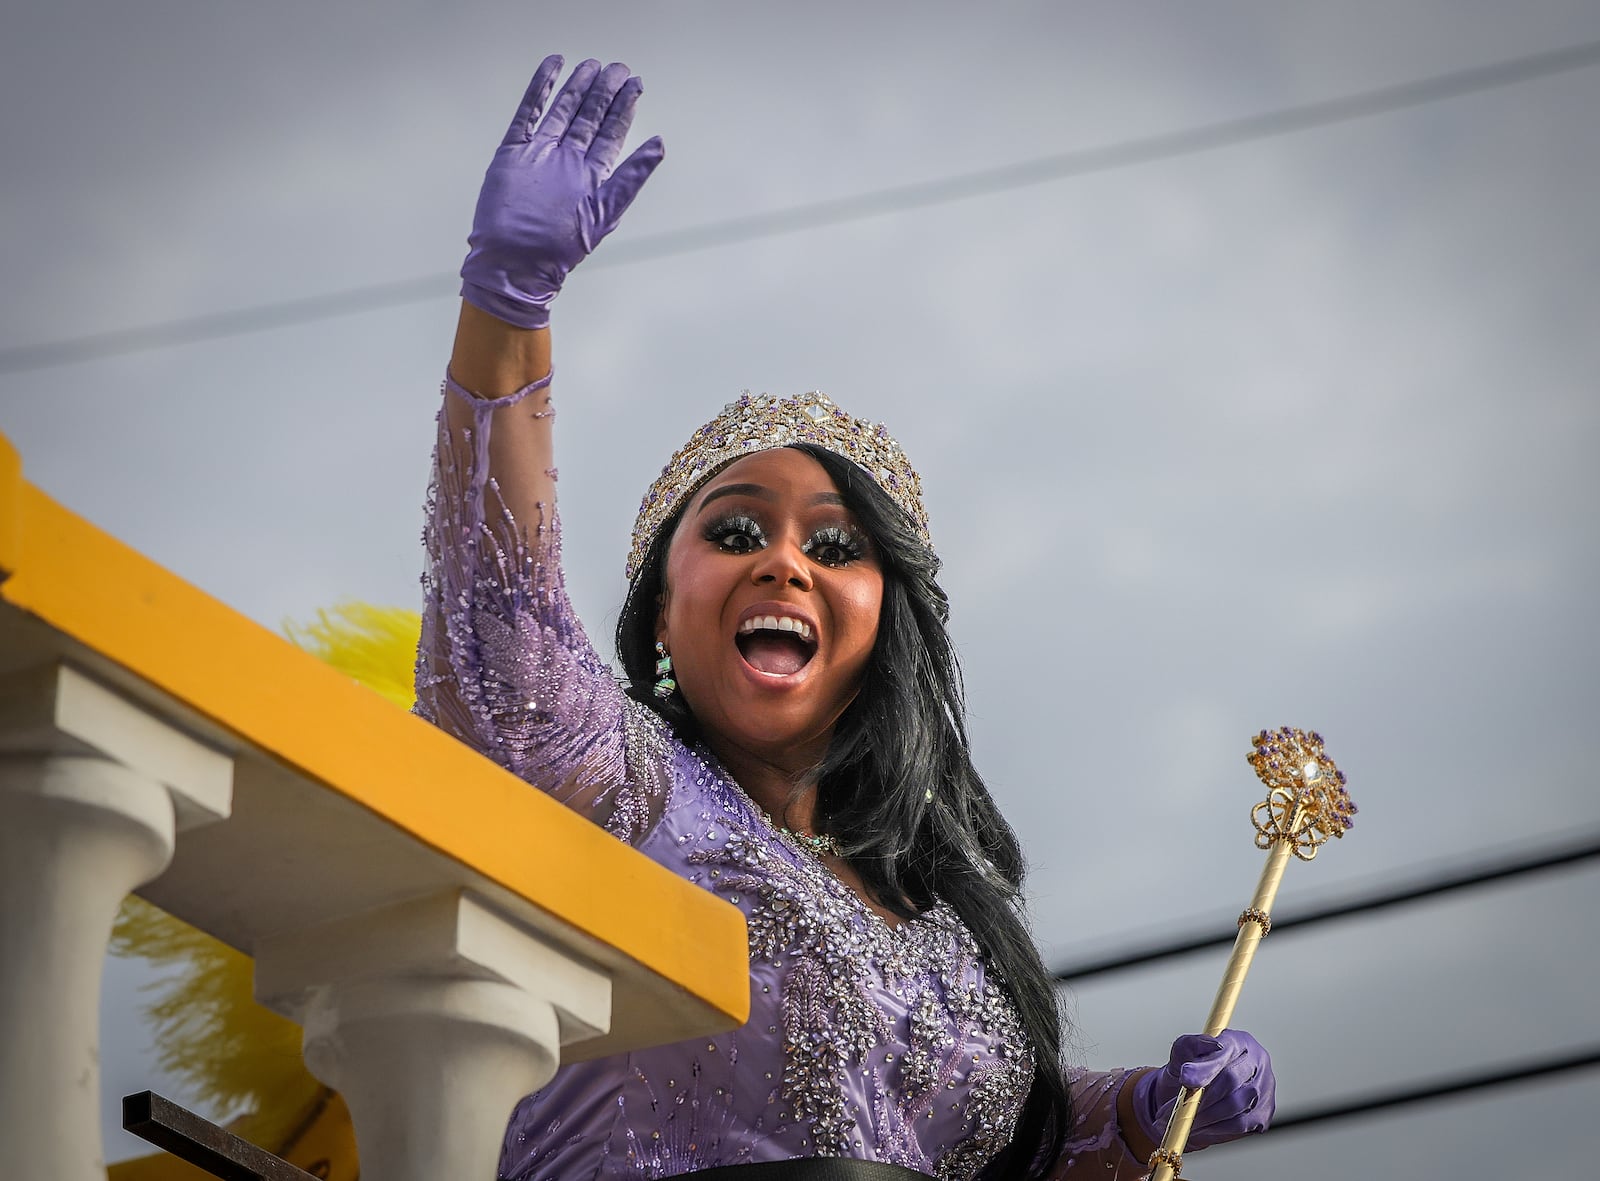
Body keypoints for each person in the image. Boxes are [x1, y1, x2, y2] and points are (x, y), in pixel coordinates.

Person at [414, 55, 1275, 1181]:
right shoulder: (610, 784)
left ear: (886, 629)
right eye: (733, 533)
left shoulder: (941, 915)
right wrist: (506, 308)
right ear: (660, 624)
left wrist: (1143, 1111)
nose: (783, 562)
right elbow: (497, 614)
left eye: (833, 547)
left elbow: (984, 1144)